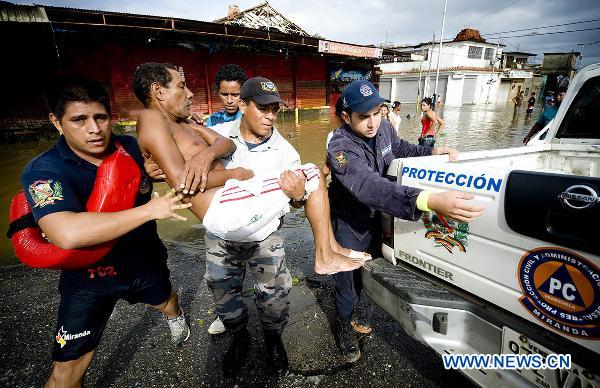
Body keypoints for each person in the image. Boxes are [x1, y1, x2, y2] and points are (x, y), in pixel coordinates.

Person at [132, 64, 366, 376]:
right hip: (222, 235)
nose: (271, 117)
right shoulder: (213, 125)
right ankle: (239, 339)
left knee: (274, 298)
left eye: (275, 110)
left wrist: (296, 195)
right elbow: (178, 168)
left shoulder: (284, 150)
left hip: (264, 235)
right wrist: (159, 168)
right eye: (264, 109)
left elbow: (299, 202)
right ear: (243, 106)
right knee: (224, 297)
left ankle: (273, 340)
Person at [20, 76, 193, 388]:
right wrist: (149, 210)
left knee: (164, 300)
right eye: (79, 120)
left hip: (143, 260)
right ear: (56, 122)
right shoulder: (44, 171)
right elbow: (66, 233)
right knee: (65, 373)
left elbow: (162, 173)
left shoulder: (129, 145)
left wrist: (154, 173)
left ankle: (175, 314)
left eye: (100, 117)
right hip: (88, 279)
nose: (94, 129)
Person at [327, 80, 484, 363]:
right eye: (363, 117)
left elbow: (401, 149)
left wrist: (431, 152)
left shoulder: (384, 127)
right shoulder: (340, 147)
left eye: (378, 112)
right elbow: (368, 186)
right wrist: (428, 200)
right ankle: (344, 325)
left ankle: (354, 311)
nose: (373, 122)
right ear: (346, 117)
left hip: (380, 217)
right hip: (351, 223)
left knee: (369, 269)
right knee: (347, 280)